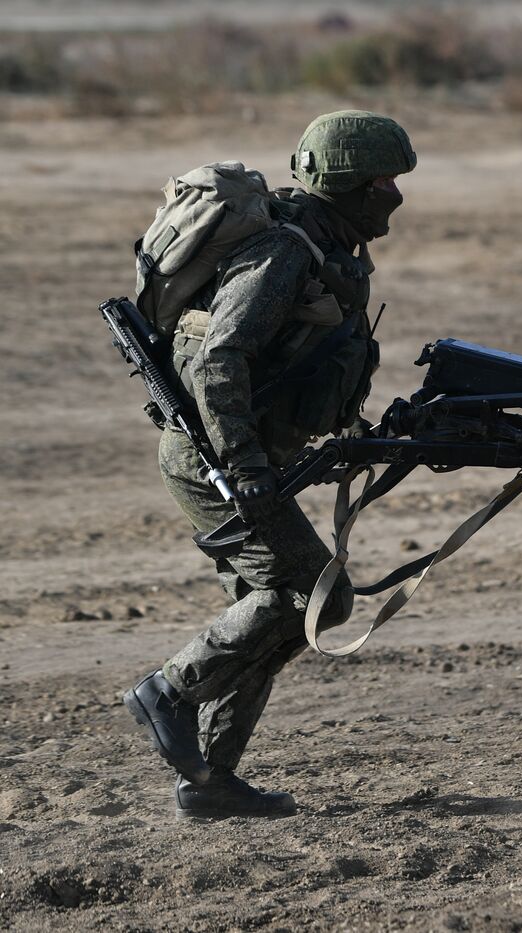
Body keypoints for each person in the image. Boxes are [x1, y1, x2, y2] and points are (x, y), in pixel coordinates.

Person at [123, 111, 416, 818]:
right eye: (383, 182)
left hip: (252, 457)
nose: (396, 196)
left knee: (279, 610)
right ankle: (167, 690)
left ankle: (212, 779)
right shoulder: (287, 254)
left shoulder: (332, 249)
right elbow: (222, 359)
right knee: (318, 594)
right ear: (346, 185)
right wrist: (246, 467)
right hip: (214, 460)